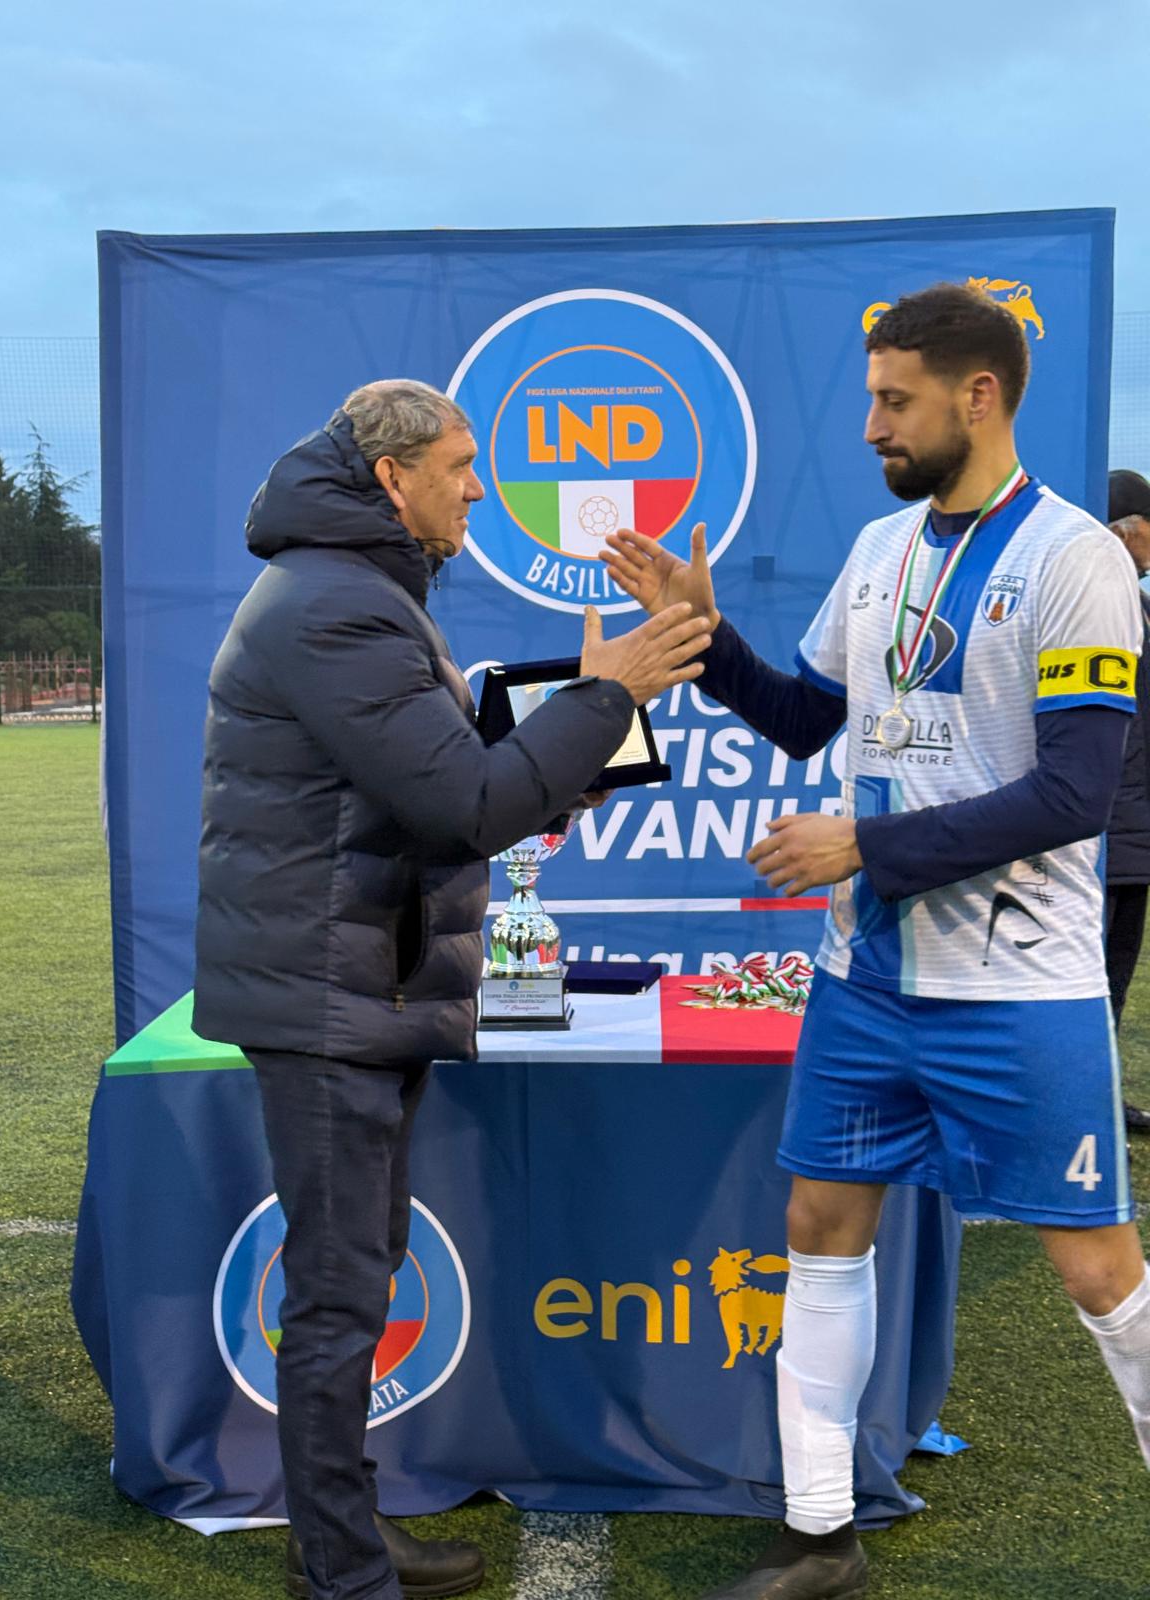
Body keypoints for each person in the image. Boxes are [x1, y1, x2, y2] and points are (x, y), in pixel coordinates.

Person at [602, 284, 1150, 1600]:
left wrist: (864, 845)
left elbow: (1075, 796)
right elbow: (804, 719)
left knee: (1095, 1268)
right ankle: (819, 1538)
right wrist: (705, 635)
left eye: (895, 401)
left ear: (980, 396)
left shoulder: (1074, 559)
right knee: (819, 1223)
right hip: (869, 979)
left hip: (1019, 989)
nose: (871, 427)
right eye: (870, 400)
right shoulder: (879, 549)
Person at [191, 379, 712, 1600]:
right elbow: (468, 803)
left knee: (356, 1278)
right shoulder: (336, 605)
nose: (481, 488)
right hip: (334, 999)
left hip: (356, 986)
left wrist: (589, 737)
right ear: (394, 477)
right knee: (338, 1296)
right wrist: (608, 696)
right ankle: (341, 1568)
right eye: (464, 464)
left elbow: (455, 780)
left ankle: (346, 1538)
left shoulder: (351, 592)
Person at [1106, 468, 1150, 1133]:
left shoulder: (1137, 604)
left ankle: (1099, 1100)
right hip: (1097, 827)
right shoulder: (1089, 600)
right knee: (1083, 980)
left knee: (1115, 974)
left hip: (1134, 831)